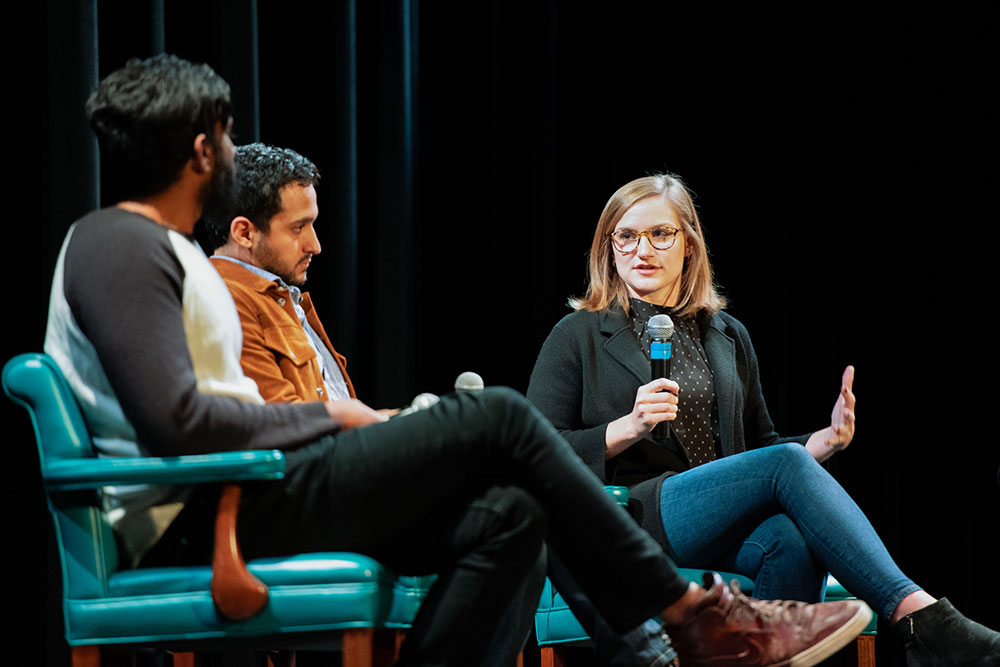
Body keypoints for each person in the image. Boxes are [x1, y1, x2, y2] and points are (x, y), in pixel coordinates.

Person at [42, 54, 871, 667]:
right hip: (218, 511)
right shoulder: (117, 244)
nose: (229, 157)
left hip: (254, 486)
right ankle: (687, 612)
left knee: (510, 511)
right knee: (500, 415)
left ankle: (678, 627)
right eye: (222, 141)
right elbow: (173, 420)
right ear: (199, 150)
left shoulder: (159, 251)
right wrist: (342, 416)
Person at [526, 172, 1000, 665]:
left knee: (789, 541)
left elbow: (760, 449)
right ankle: (923, 622)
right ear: (610, 247)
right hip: (635, 517)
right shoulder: (578, 334)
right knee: (785, 467)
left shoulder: (728, 335)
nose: (641, 248)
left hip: (717, 519)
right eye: (625, 236)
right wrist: (626, 428)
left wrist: (826, 441)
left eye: (659, 234)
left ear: (688, 244)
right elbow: (537, 454)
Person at [203, 142, 544, 666]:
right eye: (299, 227)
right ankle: (664, 610)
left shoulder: (284, 296)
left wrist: (398, 426)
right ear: (244, 231)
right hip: (297, 503)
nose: (316, 244)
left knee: (517, 513)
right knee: (499, 433)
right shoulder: (224, 298)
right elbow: (283, 427)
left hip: (342, 486)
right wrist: (399, 431)